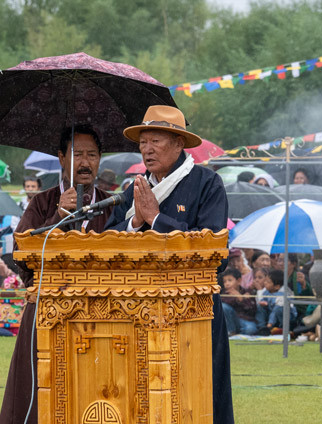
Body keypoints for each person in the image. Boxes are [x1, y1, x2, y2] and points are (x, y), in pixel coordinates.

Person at [104, 105, 233, 424]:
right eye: (142, 141)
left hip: (195, 313)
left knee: (197, 396)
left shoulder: (206, 183)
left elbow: (214, 251)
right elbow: (107, 240)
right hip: (138, 311)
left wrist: (157, 220)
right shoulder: (133, 189)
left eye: (155, 141)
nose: (147, 149)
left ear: (179, 144)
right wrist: (134, 221)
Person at [0, 125, 113, 424]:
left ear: (101, 159)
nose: (85, 162)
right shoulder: (43, 202)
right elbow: (21, 254)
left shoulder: (114, 203)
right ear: (61, 158)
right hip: (47, 311)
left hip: (102, 314)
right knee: (42, 394)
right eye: (77, 154)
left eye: (92, 154)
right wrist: (59, 216)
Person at [255, 269, 296, 335]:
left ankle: (280, 329)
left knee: (278, 309)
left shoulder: (283, 294)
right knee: (260, 307)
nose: (265, 283)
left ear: (277, 286)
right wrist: (262, 302)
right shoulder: (267, 291)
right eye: (265, 281)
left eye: (268, 282)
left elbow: (276, 310)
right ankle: (262, 328)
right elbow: (262, 299)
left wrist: (270, 323)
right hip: (271, 314)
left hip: (285, 317)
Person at [220, 268, 258, 335]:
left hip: (245, 320)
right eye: (224, 281)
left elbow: (252, 309)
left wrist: (241, 299)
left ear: (239, 281)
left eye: (230, 280)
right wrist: (236, 298)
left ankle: (238, 333)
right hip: (230, 322)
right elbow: (224, 307)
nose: (227, 284)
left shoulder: (248, 292)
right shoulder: (223, 293)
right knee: (223, 306)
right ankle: (231, 332)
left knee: (250, 329)